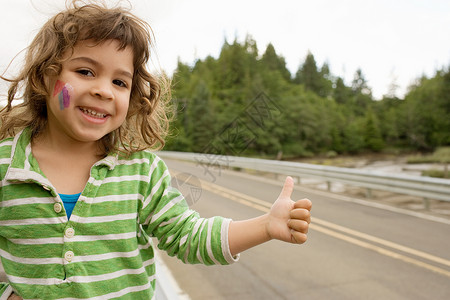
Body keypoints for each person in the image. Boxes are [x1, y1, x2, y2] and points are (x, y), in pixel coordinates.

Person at [0, 1, 312, 299]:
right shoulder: (6, 165)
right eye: (85, 71)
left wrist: (266, 226)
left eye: (120, 82)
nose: (103, 90)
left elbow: (188, 236)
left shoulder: (141, 170)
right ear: (45, 75)